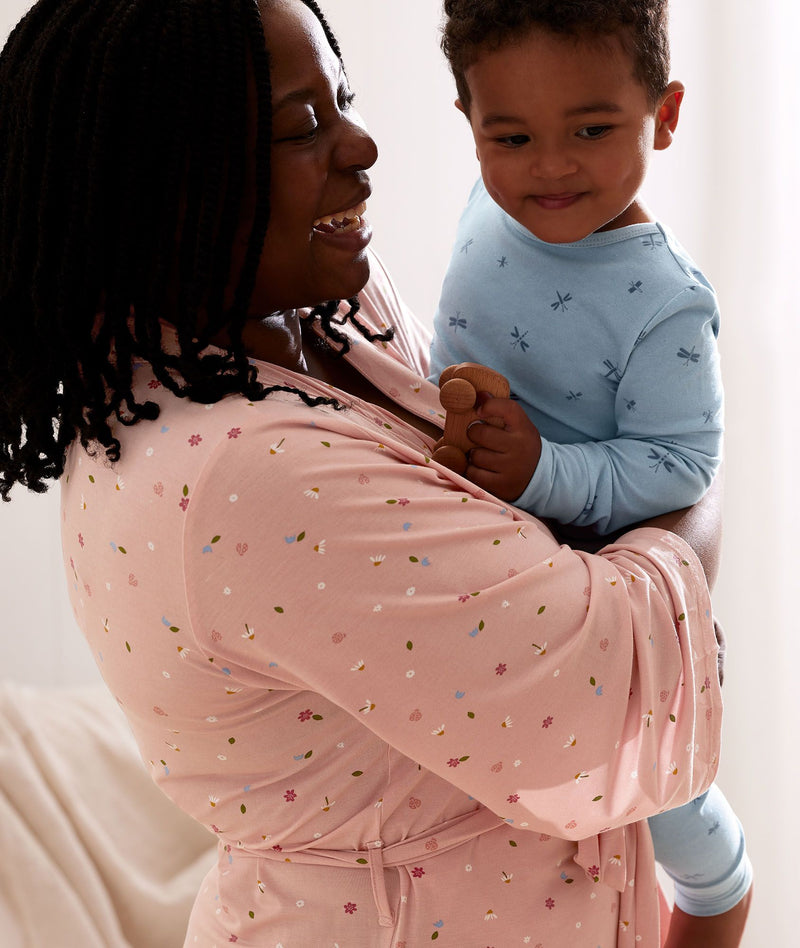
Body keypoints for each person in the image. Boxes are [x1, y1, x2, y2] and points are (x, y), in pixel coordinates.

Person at [0, 0, 737, 945]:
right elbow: (606, 679)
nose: (363, 145)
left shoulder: (324, 314)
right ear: (167, 177)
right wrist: (693, 469)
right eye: (303, 126)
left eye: (342, 100)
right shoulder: (246, 477)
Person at [429, 0, 752, 943]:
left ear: (665, 114)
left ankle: (719, 887)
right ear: (470, 124)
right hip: (491, 575)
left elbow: (682, 465)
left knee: (666, 807)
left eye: (592, 130)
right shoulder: (488, 204)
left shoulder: (665, 301)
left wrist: (543, 470)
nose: (551, 167)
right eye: (512, 137)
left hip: (610, 608)